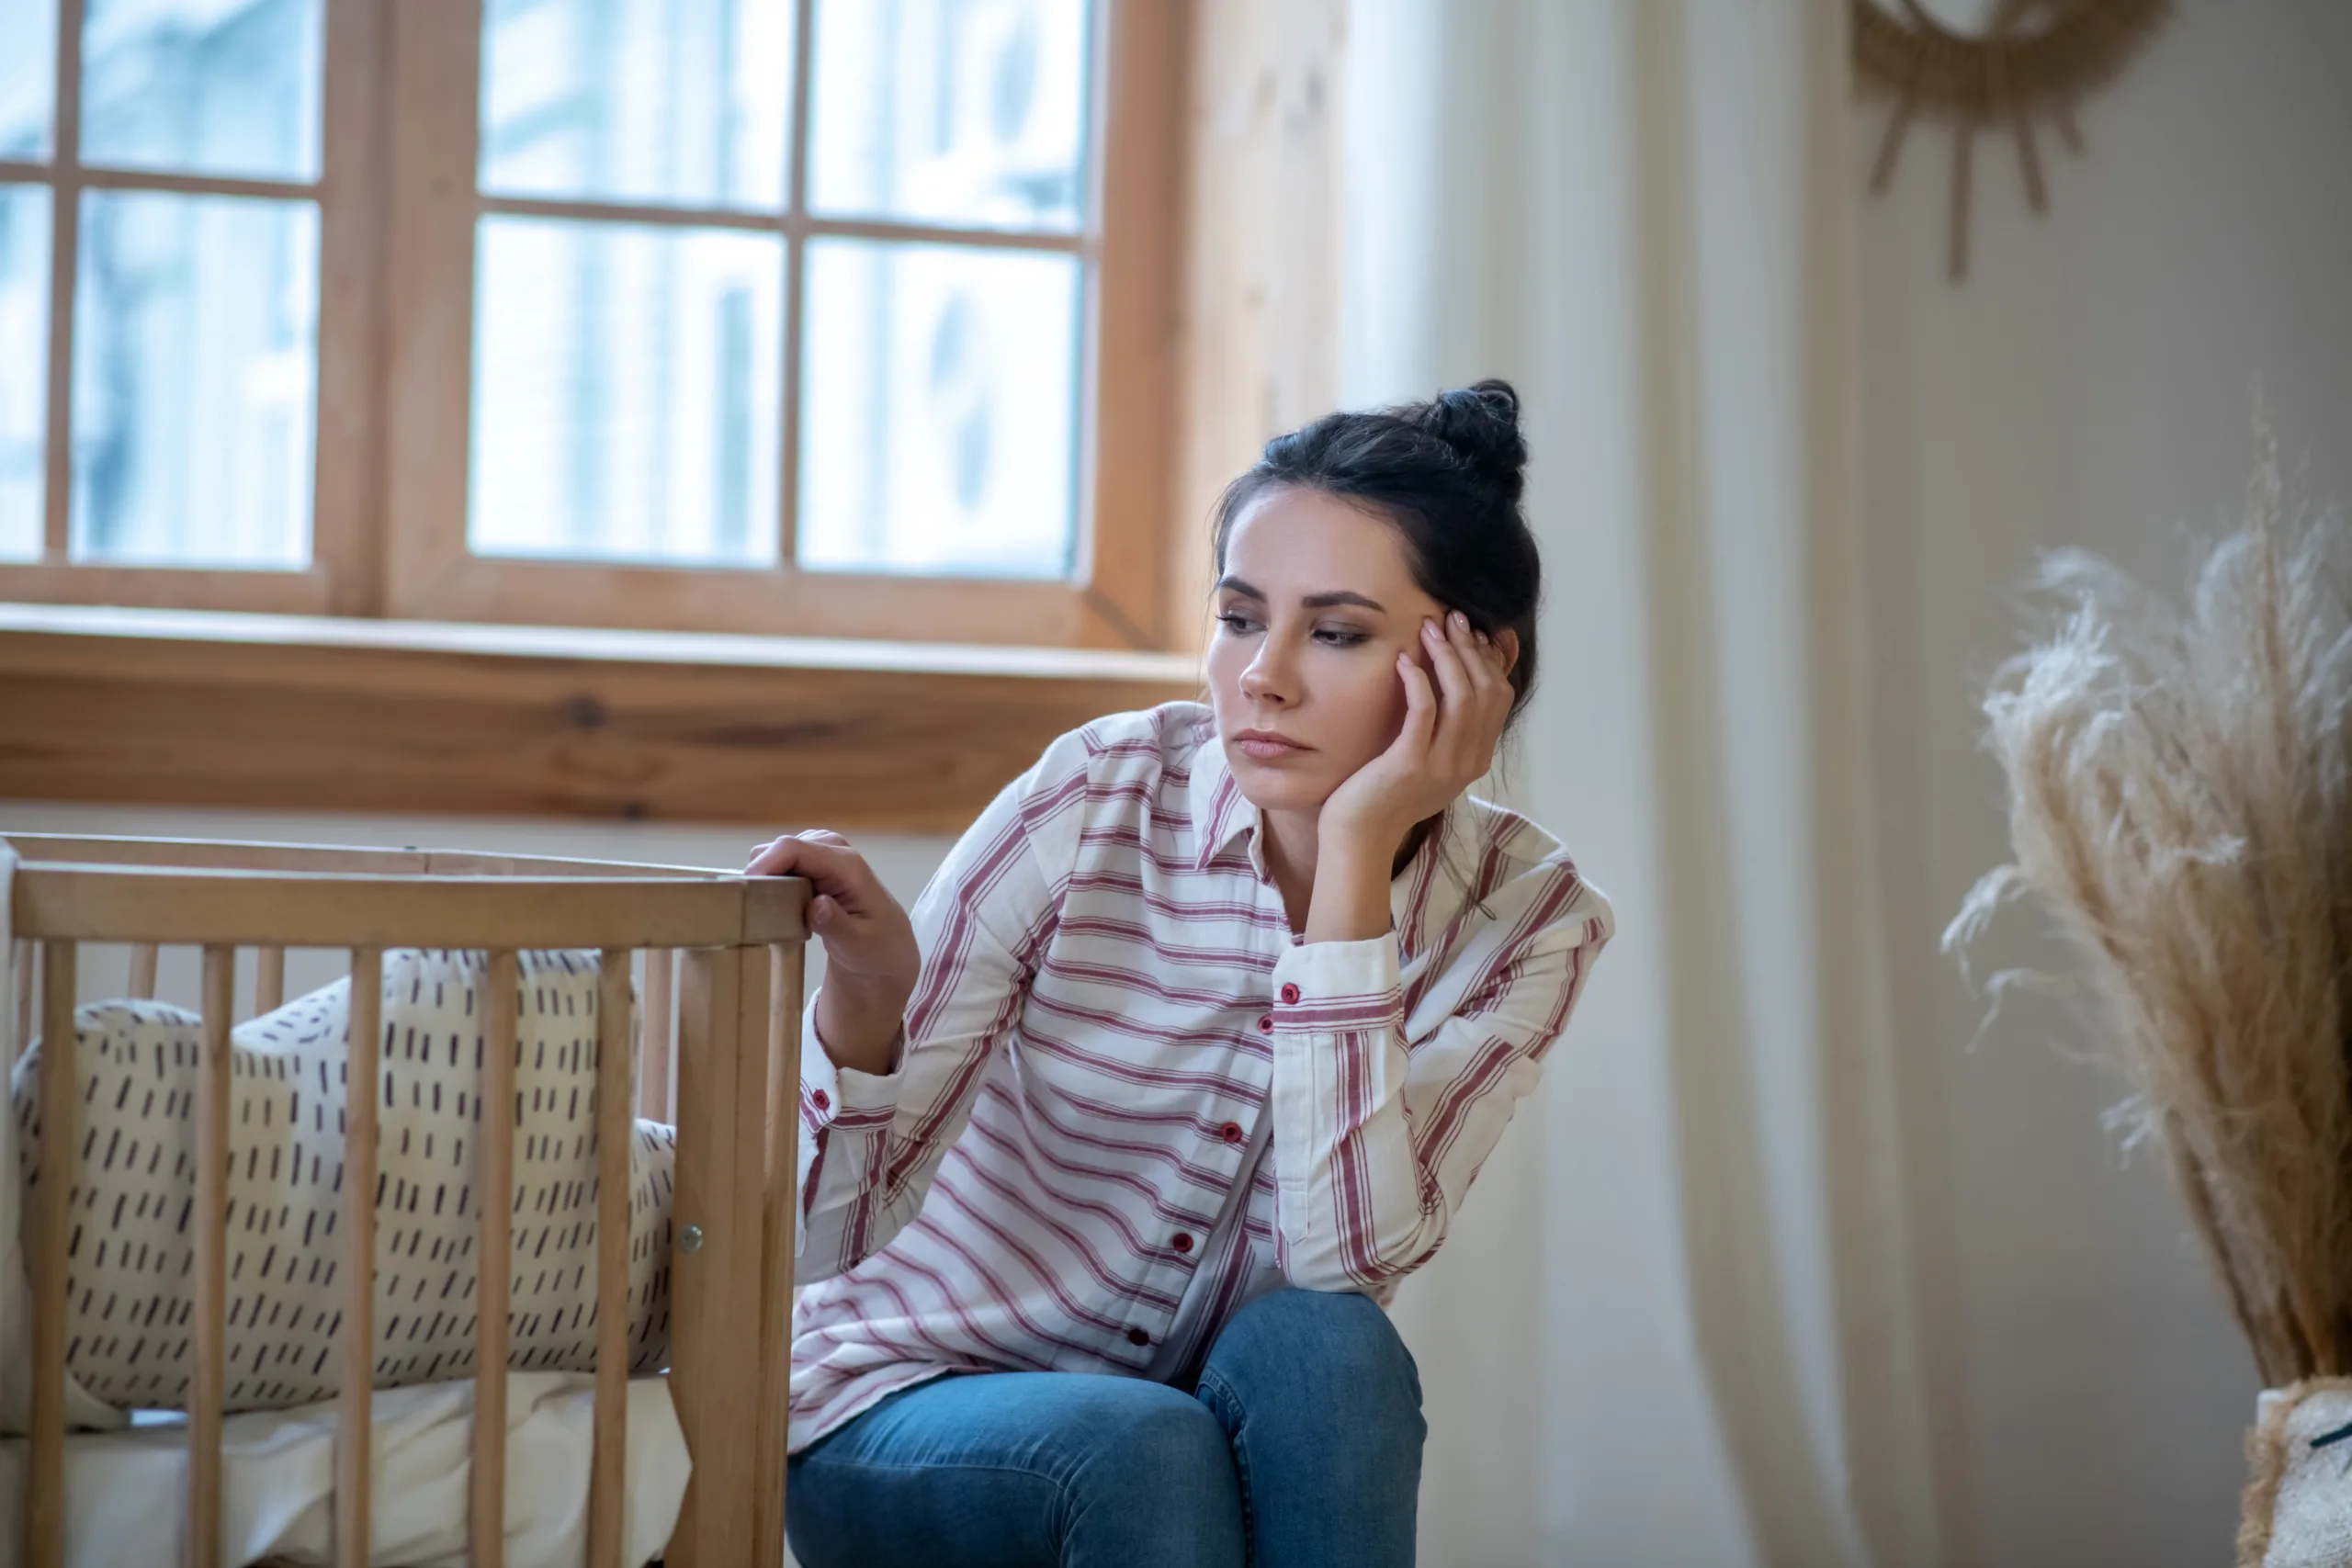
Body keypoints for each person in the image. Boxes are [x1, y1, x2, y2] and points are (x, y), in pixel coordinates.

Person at [752, 378, 1613, 1568]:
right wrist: (863, 1011)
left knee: (1331, 1350)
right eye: (1241, 615)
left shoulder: (1530, 916)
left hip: (1185, 1434)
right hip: (897, 1401)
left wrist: (1354, 861)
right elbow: (814, 1245)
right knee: (1143, 1442)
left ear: (1477, 667)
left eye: (1338, 630)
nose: (1261, 676)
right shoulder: (1095, 793)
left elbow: (1342, 1262)